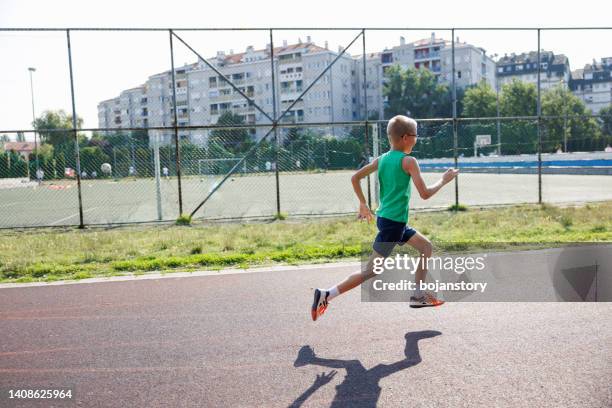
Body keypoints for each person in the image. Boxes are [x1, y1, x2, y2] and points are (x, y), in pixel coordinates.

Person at [311, 115, 459, 321]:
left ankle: (418, 295)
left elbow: (355, 177)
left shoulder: (382, 159)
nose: (417, 139)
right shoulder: (409, 161)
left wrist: (363, 203)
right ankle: (326, 294)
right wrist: (443, 180)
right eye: (416, 136)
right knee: (371, 271)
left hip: (391, 221)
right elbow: (425, 194)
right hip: (393, 225)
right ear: (407, 137)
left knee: (426, 247)